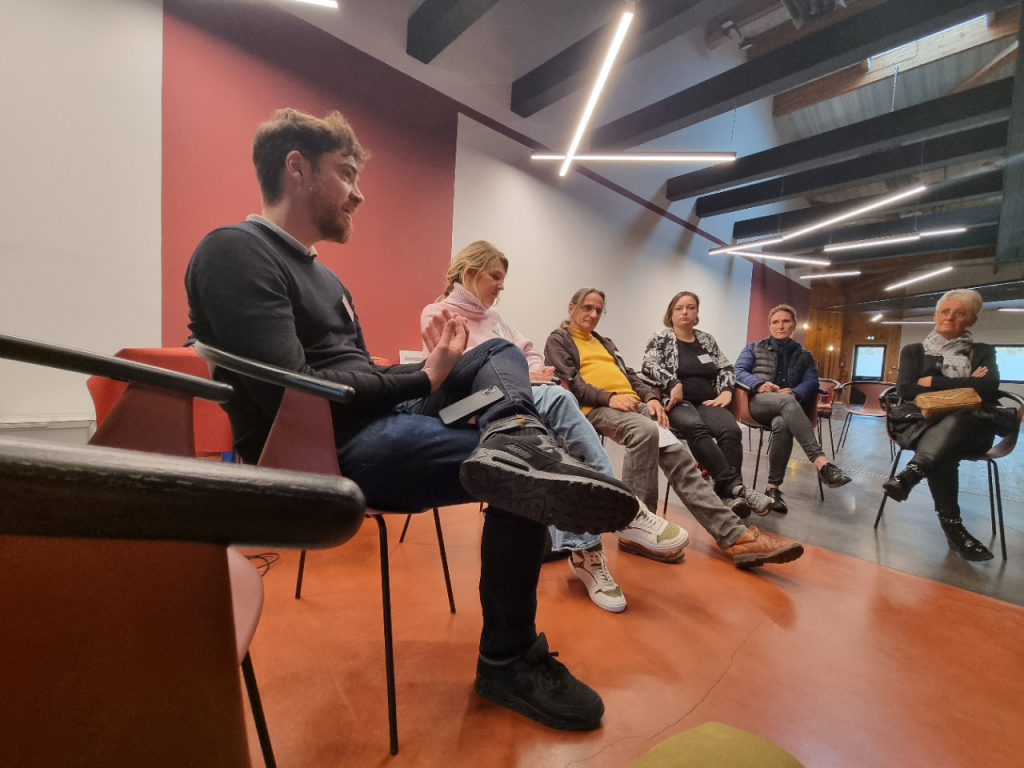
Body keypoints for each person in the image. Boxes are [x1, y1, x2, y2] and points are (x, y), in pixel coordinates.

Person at [184, 109, 642, 732]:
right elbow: (300, 392)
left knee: (498, 353)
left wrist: (432, 372)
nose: (359, 193)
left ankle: (517, 437)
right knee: (520, 480)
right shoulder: (234, 251)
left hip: (379, 419)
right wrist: (424, 376)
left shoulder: (327, 277)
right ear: (297, 168)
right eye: (346, 174)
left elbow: (355, 376)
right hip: (326, 451)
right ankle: (508, 660)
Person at [421, 242, 688, 613]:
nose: (501, 286)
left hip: (516, 401)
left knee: (552, 442)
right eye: (495, 277)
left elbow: (528, 351)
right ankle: (622, 509)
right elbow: (453, 377)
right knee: (558, 398)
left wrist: (532, 369)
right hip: (466, 406)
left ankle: (587, 554)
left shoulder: (495, 318)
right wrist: (521, 374)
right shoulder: (438, 313)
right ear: (470, 274)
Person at [545, 288, 806, 569]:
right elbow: (571, 381)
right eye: (587, 307)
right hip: (597, 407)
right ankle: (635, 529)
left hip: (632, 404)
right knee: (645, 432)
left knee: (679, 455)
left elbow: (630, 375)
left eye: (599, 309)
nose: (594, 314)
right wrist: (609, 398)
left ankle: (736, 536)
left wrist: (651, 397)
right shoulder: (559, 339)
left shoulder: (604, 342)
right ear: (572, 308)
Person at [883, 289, 1013, 561]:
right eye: (945, 311)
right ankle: (954, 526)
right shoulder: (914, 351)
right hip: (920, 424)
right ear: (935, 316)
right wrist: (968, 385)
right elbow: (906, 389)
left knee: (955, 423)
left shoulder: (983, 351)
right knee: (944, 448)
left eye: (960, 313)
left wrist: (932, 382)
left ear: (972, 320)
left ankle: (912, 473)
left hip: (972, 430)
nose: (950, 317)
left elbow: (989, 387)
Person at [642, 291, 771, 515]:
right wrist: (672, 382)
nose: (685, 312)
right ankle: (737, 489)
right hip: (677, 402)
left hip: (708, 400)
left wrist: (727, 391)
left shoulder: (706, 340)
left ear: (697, 313)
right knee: (694, 426)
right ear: (671, 313)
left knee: (731, 430)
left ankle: (727, 494)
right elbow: (648, 365)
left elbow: (725, 367)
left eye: (690, 307)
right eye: (679, 308)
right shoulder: (660, 338)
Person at [735, 304, 851, 513]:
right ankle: (821, 462)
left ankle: (773, 489)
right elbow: (739, 371)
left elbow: (812, 382)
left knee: (783, 422)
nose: (780, 326)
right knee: (786, 402)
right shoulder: (754, 347)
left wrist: (795, 393)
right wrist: (758, 384)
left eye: (786, 321)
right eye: (775, 322)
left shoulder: (804, 355)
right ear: (770, 325)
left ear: (794, 325)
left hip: (787, 408)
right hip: (757, 404)